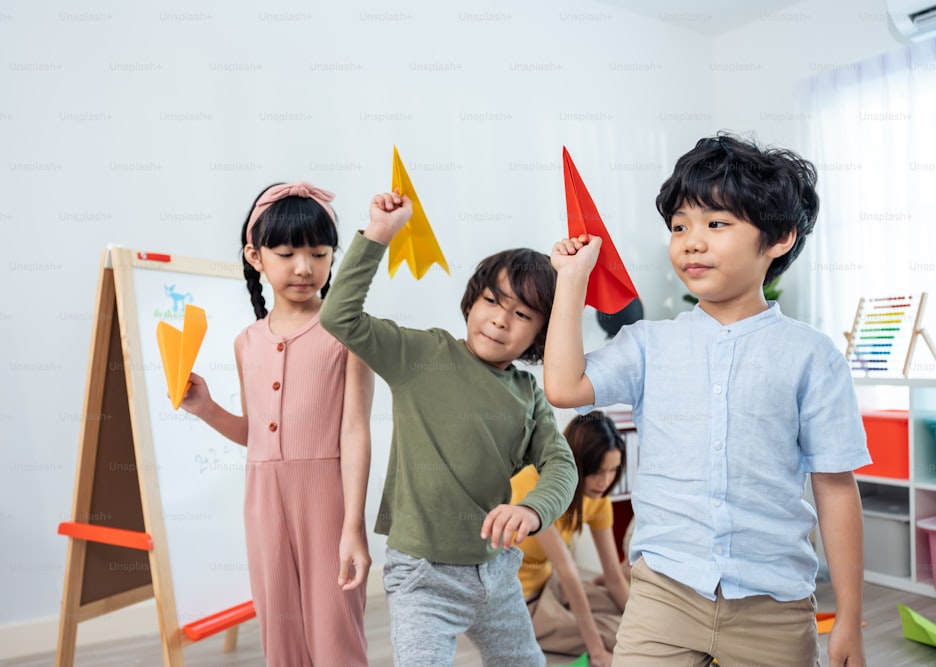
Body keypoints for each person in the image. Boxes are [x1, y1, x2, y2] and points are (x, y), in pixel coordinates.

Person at [543, 133, 871, 667]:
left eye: (716, 224)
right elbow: (564, 385)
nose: (691, 241)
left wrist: (850, 620)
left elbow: (835, 487)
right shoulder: (650, 344)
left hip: (775, 605)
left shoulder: (812, 356)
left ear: (779, 237)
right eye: (679, 227)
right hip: (663, 593)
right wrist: (571, 283)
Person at [319, 189, 578, 667]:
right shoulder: (421, 355)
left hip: (496, 572)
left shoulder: (529, 393)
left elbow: (560, 463)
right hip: (423, 576)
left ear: (540, 333)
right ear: (472, 300)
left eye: (522, 314)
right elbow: (339, 316)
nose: (500, 320)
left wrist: (535, 510)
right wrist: (379, 233)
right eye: (491, 301)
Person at [179, 181, 374, 667]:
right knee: (278, 628)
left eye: (319, 252)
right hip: (263, 497)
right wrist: (205, 408)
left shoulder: (347, 333)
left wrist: (353, 526)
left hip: (326, 496)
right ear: (255, 255)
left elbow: (355, 433)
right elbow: (257, 435)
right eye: (287, 253)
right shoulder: (247, 342)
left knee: (335, 629)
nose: (304, 267)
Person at [511, 410, 630, 667]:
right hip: (519, 602)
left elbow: (613, 577)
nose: (605, 481)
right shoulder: (535, 486)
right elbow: (568, 572)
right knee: (617, 635)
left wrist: (655, 628)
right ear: (577, 461)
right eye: (598, 471)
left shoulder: (597, 499)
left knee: (634, 618)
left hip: (550, 585)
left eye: (612, 471)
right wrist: (597, 652)